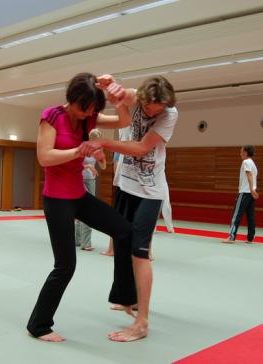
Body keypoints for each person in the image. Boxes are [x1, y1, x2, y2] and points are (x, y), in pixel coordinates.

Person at [27, 72, 133, 343]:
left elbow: (124, 120)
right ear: (71, 100)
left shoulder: (90, 116)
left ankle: (123, 296)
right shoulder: (51, 116)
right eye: (83, 108)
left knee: (123, 230)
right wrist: (79, 151)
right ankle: (39, 325)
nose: (87, 114)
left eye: (92, 110)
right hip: (56, 199)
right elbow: (44, 157)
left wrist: (114, 94)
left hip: (78, 195)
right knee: (66, 265)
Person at [79, 75, 178, 342]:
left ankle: (142, 322)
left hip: (150, 190)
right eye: (146, 109)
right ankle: (127, 299)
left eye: (155, 112)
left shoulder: (169, 115)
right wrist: (112, 89)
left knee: (139, 251)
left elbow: (141, 147)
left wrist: (105, 143)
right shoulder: (137, 96)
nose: (149, 114)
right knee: (121, 243)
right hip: (126, 185)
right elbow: (122, 106)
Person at [75, 129, 106, 251]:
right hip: (80, 179)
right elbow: (75, 163)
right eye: (94, 140)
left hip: (91, 180)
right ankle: (85, 243)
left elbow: (103, 166)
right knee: (86, 210)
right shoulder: (84, 147)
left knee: (82, 210)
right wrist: (88, 166)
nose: (96, 142)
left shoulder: (98, 150)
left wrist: (101, 158)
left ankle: (77, 240)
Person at [222, 145, 259, 244]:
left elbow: (249, 175)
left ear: (246, 153)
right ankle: (250, 238)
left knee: (236, 215)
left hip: (245, 193)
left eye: (241, 152)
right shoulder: (253, 164)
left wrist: (251, 189)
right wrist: (253, 190)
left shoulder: (246, 162)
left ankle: (231, 237)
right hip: (251, 194)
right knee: (250, 216)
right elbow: (252, 176)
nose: (240, 154)